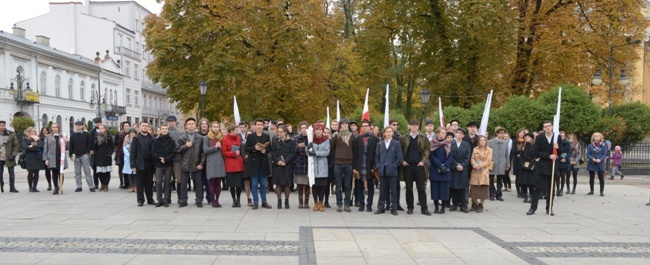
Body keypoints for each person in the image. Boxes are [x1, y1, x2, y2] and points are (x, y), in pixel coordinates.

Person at [527, 120, 564, 216]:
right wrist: (548, 156)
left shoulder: (557, 137)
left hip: (553, 166)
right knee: (538, 188)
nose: (548, 128)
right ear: (543, 128)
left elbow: (562, 152)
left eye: (549, 126)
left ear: (552, 126)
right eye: (545, 126)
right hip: (542, 166)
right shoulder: (539, 138)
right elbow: (536, 151)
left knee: (551, 189)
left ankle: (549, 208)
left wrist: (558, 147)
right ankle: (533, 208)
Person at [399, 120, 431, 215]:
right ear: (409, 126)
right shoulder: (404, 138)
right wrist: (402, 161)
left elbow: (427, 149)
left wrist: (423, 161)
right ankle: (410, 207)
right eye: (412, 125)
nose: (414, 127)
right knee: (409, 188)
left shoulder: (423, 137)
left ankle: (424, 208)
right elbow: (399, 150)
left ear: (418, 127)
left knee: (421, 187)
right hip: (408, 165)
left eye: (416, 125)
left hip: (419, 165)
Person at [374, 126, 403, 216]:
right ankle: (381, 207)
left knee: (393, 190)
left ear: (392, 133)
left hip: (392, 170)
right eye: (387, 131)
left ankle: (393, 208)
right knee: (382, 189)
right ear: (384, 133)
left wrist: (394, 165)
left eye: (390, 131)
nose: (389, 133)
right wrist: (379, 165)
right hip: (382, 170)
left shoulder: (396, 143)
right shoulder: (380, 144)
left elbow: (399, 157)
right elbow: (377, 156)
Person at [176, 118, 205, 208]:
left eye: (193, 123)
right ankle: (183, 200)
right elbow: (178, 150)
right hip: (185, 163)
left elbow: (203, 152)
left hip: (196, 163)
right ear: (186, 126)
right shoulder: (182, 137)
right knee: (184, 183)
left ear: (195, 125)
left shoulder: (200, 138)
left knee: (198, 183)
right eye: (189, 124)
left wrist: (201, 163)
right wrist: (186, 146)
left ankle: (199, 200)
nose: (191, 125)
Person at [245, 119, 273, 209]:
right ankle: (255, 202)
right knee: (254, 184)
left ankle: (264, 201)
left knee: (263, 183)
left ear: (263, 126)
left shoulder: (266, 136)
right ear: (255, 125)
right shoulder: (250, 136)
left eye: (261, 124)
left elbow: (269, 148)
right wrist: (255, 148)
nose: (259, 126)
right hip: (253, 163)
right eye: (258, 124)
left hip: (263, 162)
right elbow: (246, 148)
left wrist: (265, 150)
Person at [353, 120, 379, 212]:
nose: (365, 127)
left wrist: (375, 166)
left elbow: (377, 154)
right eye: (363, 126)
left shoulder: (375, 139)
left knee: (371, 186)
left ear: (369, 127)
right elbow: (355, 154)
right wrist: (355, 167)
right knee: (359, 186)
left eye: (366, 126)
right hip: (360, 166)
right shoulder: (358, 139)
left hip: (370, 166)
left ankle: (369, 205)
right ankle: (361, 204)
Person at [331, 118, 356, 212]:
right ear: (340, 125)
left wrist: (354, 165)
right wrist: (336, 158)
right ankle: (339, 204)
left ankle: (347, 204)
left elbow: (354, 150)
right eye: (343, 124)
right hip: (338, 163)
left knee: (347, 185)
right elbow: (332, 149)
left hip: (349, 163)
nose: (345, 125)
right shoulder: (335, 136)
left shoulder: (352, 136)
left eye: (346, 124)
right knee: (338, 185)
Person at [131, 121, 156, 207]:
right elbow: (133, 153)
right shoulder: (136, 138)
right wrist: (133, 165)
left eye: (146, 126)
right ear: (140, 127)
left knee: (149, 183)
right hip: (140, 163)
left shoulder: (152, 138)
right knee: (140, 183)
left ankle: (150, 199)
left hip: (150, 163)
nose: (145, 127)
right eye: (143, 126)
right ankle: (140, 200)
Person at [429, 128, 453, 214]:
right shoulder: (433, 143)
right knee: (435, 189)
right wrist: (439, 165)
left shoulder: (448, 144)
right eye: (442, 133)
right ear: (438, 133)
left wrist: (445, 166)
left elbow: (450, 156)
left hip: (445, 170)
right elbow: (431, 156)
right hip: (435, 169)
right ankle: (436, 207)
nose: (444, 135)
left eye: (445, 133)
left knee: (444, 190)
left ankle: (443, 207)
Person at [271, 125, 296, 209]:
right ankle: (279, 201)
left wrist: (285, 161)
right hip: (277, 165)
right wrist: (278, 161)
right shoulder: (275, 141)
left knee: (287, 184)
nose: (279, 133)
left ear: (285, 132)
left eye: (281, 132)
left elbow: (292, 153)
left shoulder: (291, 141)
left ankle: (286, 200)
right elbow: (273, 153)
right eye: (278, 132)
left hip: (287, 165)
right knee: (278, 184)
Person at [203, 121, 226, 207]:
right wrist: (215, 147)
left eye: (217, 127)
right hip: (211, 161)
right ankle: (213, 200)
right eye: (214, 127)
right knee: (212, 182)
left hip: (220, 161)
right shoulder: (206, 137)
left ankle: (217, 200)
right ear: (211, 128)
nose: (216, 128)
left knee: (218, 182)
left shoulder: (222, 137)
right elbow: (205, 150)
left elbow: (225, 149)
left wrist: (222, 147)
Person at [151, 125, 176, 207]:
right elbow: (153, 152)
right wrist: (160, 158)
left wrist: (166, 159)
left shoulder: (171, 141)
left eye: (166, 129)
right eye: (163, 129)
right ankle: (159, 200)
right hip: (159, 164)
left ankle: (166, 199)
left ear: (168, 130)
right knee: (158, 183)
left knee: (167, 183)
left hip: (168, 164)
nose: (164, 130)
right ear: (160, 130)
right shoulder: (156, 140)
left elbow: (173, 153)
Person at [309, 123, 330, 212]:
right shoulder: (311, 140)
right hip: (313, 166)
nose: (318, 131)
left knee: (322, 186)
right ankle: (315, 202)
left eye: (320, 130)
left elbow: (326, 152)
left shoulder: (326, 140)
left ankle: (321, 202)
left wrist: (316, 153)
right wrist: (308, 148)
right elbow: (308, 152)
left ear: (322, 131)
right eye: (316, 130)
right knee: (314, 186)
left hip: (322, 166)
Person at [450, 128, 471, 213]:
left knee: (463, 187)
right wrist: (456, 165)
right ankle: (454, 204)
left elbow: (468, 157)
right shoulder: (451, 143)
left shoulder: (467, 144)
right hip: (454, 167)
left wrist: (462, 165)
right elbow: (450, 156)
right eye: (458, 132)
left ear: (463, 135)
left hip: (463, 168)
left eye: (461, 133)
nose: (459, 134)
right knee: (454, 187)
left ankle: (463, 205)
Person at [222, 125, 245, 207]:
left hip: (238, 163)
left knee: (238, 184)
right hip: (230, 164)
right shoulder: (225, 139)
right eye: (236, 130)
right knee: (231, 184)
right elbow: (224, 152)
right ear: (231, 131)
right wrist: (234, 153)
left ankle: (238, 200)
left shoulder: (238, 138)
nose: (237, 132)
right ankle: (233, 200)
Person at [43, 123, 68, 195]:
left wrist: (66, 141)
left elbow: (67, 147)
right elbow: (46, 148)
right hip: (52, 157)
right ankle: (55, 187)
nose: (55, 128)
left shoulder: (62, 136)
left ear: (58, 128)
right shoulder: (48, 137)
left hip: (61, 157)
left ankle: (60, 187)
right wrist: (46, 159)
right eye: (53, 127)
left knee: (61, 173)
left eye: (56, 127)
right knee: (54, 173)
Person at [470, 136, 492, 213]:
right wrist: (475, 165)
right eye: (480, 140)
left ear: (486, 141)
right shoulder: (475, 149)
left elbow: (488, 161)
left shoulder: (489, 150)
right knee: (474, 190)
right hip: (476, 171)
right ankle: (475, 204)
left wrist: (481, 166)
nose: (482, 141)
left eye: (483, 140)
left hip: (484, 171)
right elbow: (472, 159)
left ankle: (481, 205)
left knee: (483, 190)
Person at [69, 121, 94, 192]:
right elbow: (71, 145)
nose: (78, 126)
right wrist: (70, 154)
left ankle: (91, 186)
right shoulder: (73, 135)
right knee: (77, 172)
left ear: (82, 126)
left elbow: (89, 144)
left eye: (80, 125)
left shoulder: (86, 134)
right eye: (77, 125)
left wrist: (88, 152)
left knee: (87, 171)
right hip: (76, 155)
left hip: (84, 155)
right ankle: (79, 186)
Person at [488, 126, 510, 201]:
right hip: (493, 163)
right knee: (490, 180)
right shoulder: (490, 142)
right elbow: (488, 153)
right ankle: (491, 193)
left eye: (503, 133)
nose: (502, 135)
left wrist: (508, 164)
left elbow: (507, 154)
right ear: (496, 133)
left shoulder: (505, 142)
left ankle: (499, 194)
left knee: (500, 180)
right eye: (500, 133)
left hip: (502, 163)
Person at [293, 122, 311, 209]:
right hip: (299, 162)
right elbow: (295, 149)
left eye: (305, 127)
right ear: (300, 129)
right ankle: (300, 201)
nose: (304, 129)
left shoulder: (311, 138)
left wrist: (303, 149)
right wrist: (305, 148)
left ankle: (306, 201)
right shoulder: (296, 138)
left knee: (308, 183)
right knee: (300, 183)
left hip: (309, 163)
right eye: (302, 128)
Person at [92, 125, 114, 192]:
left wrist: (109, 153)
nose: (100, 129)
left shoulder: (108, 137)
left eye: (102, 128)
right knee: (100, 172)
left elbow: (112, 147)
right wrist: (93, 151)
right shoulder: (96, 137)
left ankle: (106, 185)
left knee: (107, 172)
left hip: (106, 156)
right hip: (98, 156)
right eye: (99, 128)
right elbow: (94, 147)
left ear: (105, 129)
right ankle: (102, 184)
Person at [22, 127, 43, 192]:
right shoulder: (25, 139)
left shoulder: (37, 138)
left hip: (37, 156)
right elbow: (26, 147)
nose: (33, 132)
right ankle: (30, 187)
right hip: (29, 157)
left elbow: (40, 146)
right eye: (31, 131)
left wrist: (33, 146)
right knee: (30, 172)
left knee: (37, 172)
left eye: (34, 131)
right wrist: (35, 148)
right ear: (28, 132)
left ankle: (35, 187)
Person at [166, 115, 183, 194]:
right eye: (169, 121)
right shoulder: (165, 131)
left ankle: (180, 197)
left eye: (172, 121)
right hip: (167, 158)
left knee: (178, 178)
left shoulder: (180, 133)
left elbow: (181, 145)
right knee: (167, 178)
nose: (171, 123)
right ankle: (167, 198)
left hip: (177, 158)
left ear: (175, 122)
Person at [518, 132, 537, 203]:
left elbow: (535, 157)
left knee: (531, 183)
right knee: (524, 182)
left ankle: (531, 196)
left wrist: (531, 165)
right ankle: (525, 196)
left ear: (532, 138)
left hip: (531, 167)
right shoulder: (523, 146)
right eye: (526, 137)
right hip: (524, 167)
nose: (527, 138)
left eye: (528, 137)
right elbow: (521, 156)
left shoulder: (535, 146)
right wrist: (522, 164)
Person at [586, 132, 608, 196]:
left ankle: (601, 191)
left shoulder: (603, 145)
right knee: (591, 177)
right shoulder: (590, 145)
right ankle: (591, 190)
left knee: (601, 177)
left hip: (600, 163)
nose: (597, 137)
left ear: (600, 137)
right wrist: (593, 159)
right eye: (596, 136)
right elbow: (588, 154)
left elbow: (604, 154)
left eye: (598, 136)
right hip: (592, 163)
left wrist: (600, 159)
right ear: (593, 137)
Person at [0, 120, 19, 193]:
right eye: (1, 126)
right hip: (0, 157)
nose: (3, 127)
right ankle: (1, 187)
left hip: (9, 156)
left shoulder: (11, 134)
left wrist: (13, 155)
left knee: (11, 172)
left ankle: (12, 187)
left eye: (4, 125)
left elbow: (16, 145)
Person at [511, 129, 528, 198]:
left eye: (523, 133)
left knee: (524, 176)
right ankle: (518, 191)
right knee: (517, 177)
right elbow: (513, 150)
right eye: (520, 132)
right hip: (517, 161)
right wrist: (520, 152)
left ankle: (524, 191)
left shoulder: (526, 141)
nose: (521, 134)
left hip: (524, 160)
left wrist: (521, 153)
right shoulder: (515, 141)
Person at [198, 118, 211, 203]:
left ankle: (209, 198)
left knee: (208, 182)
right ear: (200, 126)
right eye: (202, 124)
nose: (204, 125)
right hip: (198, 161)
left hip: (208, 161)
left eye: (205, 124)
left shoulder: (210, 136)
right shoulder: (197, 135)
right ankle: (199, 198)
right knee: (199, 181)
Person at [115, 122, 131, 189]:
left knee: (128, 168)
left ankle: (129, 183)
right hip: (121, 153)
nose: (126, 127)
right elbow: (115, 143)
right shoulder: (119, 134)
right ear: (122, 127)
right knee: (121, 168)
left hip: (129, 153)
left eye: (127, 126)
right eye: (125, 126)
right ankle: (122, 182)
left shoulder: (132, 134)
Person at [555, 131, 571, 196]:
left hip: (565, 161)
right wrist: (560, 158)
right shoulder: (557, 143)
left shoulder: (567, 143)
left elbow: (569, 152)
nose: (562, 137)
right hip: (558, 161)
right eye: (560, 136)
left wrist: (565, 158)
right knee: (557, 175)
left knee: (563, 176)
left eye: (563, 136)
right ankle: (558, 189)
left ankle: (561, 189)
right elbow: (556, 152)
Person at [38, 127, 53, 191]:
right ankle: (49, 184)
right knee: (47, 170)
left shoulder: (51, 137)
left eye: (46, 130)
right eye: (43, 130)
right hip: (43, 155)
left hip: (51, 155)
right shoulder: (40, 138)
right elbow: (39, 146)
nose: (44, 132)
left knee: (54, 170)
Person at [90, 117, 102, 189]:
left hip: (101, 152)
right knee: (95, 169)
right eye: (95, 123)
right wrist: (91, 149)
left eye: (97, 123)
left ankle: (103, 183)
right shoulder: (92, 131)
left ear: (100, 123)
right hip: (95, 152)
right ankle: (96, 183)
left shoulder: (104, 130)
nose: (96, 124)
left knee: (101, 169)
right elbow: (90, 141)